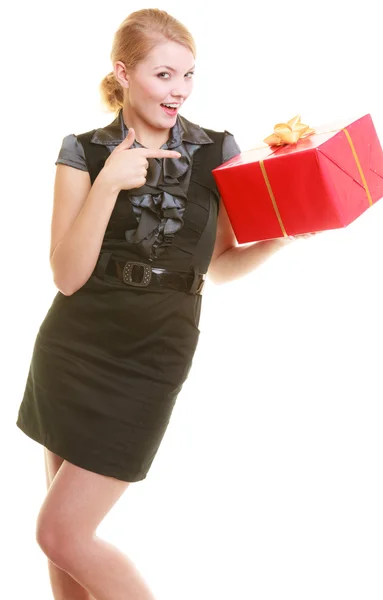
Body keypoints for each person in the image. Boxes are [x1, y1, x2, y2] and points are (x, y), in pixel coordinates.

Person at [16, 8, 312, 600]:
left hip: (154, 352)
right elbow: (66, 276)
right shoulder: (82, 151)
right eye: (163, 75)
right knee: (65, 550)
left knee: (62, 533)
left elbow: (217, 265)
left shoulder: (217, 150)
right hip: (73, 348)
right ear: (123, 73)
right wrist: (108, 183)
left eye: (188, 76)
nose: (178, 90)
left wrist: (278, 236)